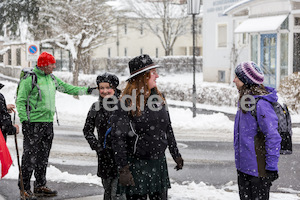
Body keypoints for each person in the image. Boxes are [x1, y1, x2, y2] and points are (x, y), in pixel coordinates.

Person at [16, 52, 95, 199]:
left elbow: (67, 88)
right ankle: (24, 187)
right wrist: (25, 121)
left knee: (43, 156)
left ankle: (40, 185)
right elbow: (20, 100)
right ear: (44, 65)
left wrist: (87, 90)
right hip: (33, 123)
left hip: (48, 123)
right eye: (52, 64)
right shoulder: (30, 78)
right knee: (29, 157)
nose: (54, 66)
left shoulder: (51, 78)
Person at [110, 54, 184, 200]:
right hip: (136, 165)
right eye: (153, 73)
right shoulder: (126, 103)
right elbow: (118, 138)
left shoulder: (159, 98)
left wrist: (175, 153)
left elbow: (167, 127)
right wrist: (123, 168)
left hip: (158, 162)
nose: (157, 76)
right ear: (143, 77)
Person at [233, 61, 282, 200]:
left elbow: (273, 136)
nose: (234, 80)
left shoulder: (261, 104)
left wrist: (271, 167)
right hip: (244, 170)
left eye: (237, 77)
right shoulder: (245, 101)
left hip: (258, 172)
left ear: (246, 80)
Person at [83, 72, 125, 200]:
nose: (105, 91)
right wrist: (97, 147)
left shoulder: (123, 105)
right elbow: (87, 130)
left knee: (117, 193)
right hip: (104, 157)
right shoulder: (95, 107)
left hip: (122, 157)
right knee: (107, 191)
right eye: (101, 88)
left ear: (114, 88)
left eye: (108, 87)